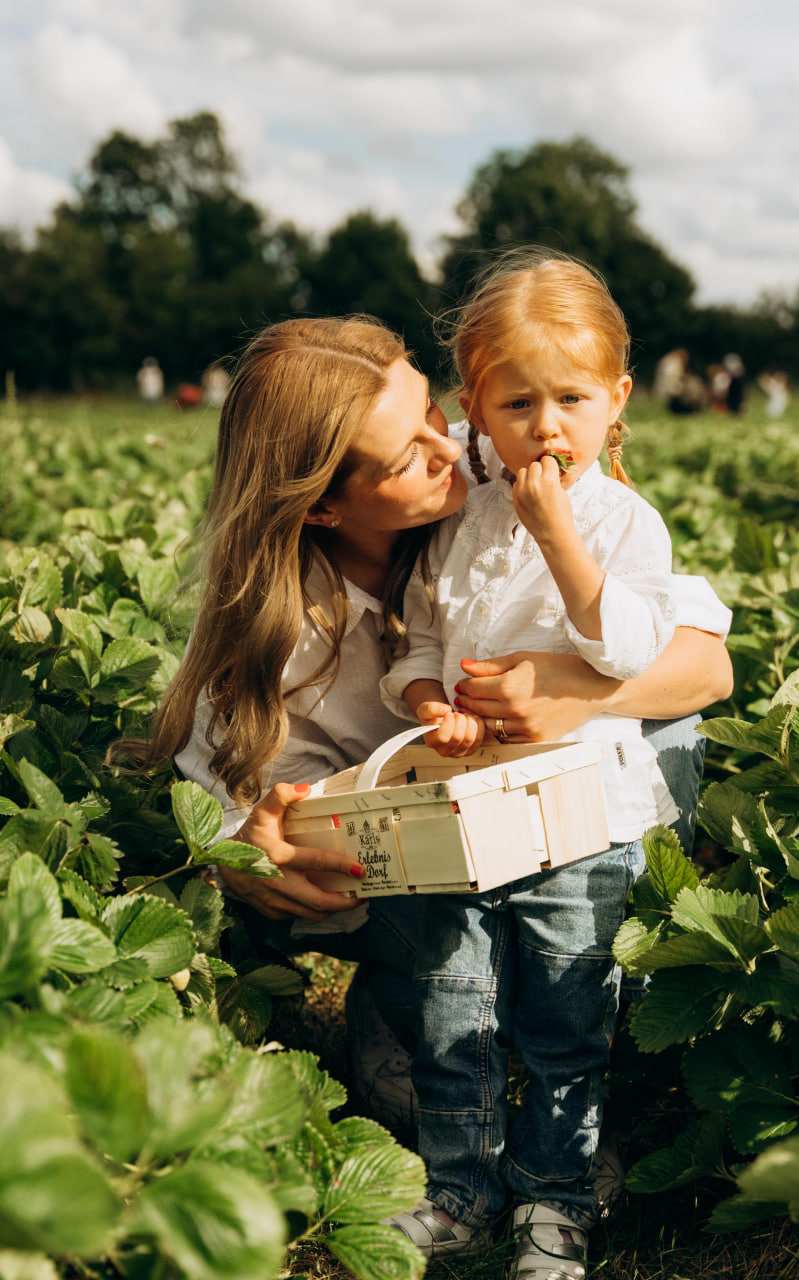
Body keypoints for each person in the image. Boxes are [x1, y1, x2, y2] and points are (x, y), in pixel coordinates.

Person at [139, 314, 731, 1147]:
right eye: (404, 455)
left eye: (430, 411)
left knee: (663, 738)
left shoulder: (505, 454)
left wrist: (581, 693)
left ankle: (591, 979)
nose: (447, 447)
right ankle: (416, 993)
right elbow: (232, 801)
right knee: (419, 1081)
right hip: (424, 880)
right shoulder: (274, 639)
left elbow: (708, 667)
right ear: (320, 510)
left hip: (560, 822)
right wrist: (252, 843)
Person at [378, 252, 726, 1278]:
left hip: (583, 815)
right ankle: (458, 1185)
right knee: (454, 1002)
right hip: (467, 806)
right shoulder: (462, 525)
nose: (546, 426)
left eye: (570, 398)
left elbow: (622, 646)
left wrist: (558, 534)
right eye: (516, 401)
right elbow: (421, 648)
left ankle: (556, 1195)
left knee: (567, 1012)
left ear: (616, 400)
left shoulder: (622, 522)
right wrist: (429, 704)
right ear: (474, 410)